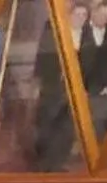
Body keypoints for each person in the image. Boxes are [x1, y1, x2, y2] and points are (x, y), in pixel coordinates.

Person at [35, 4, 91, 168]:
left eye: (83, 15)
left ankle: (59, 162)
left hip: (75, 92)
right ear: (69, 15)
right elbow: (43, 58)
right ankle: (43, 162)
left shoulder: (87, 38)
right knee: (48, 123)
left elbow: (89, 66)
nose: (80, 18)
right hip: (53, 87)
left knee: (68, 128)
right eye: (77, 14)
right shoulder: (55, 32)